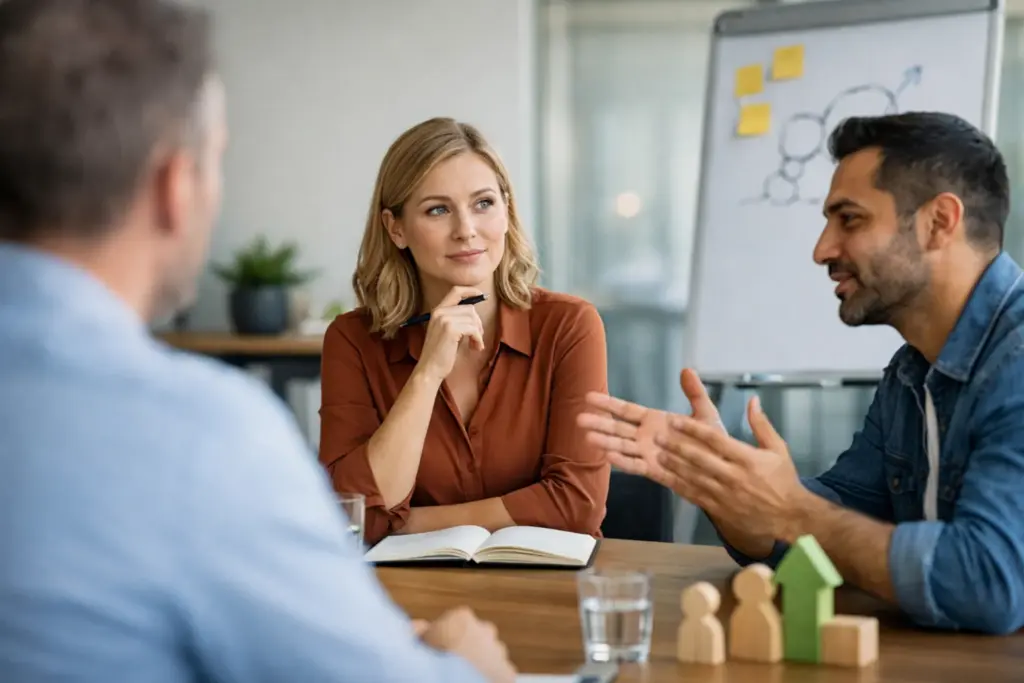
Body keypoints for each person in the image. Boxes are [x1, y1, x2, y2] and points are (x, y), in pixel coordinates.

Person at [0, 1, 515, 681]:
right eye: (218, 162)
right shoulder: (201, 437)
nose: (467, 230)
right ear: (175, 186)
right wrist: (467, 665)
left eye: (484, 202)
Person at [578, 111, 1024, 635]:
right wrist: (731, 486)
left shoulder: (1014, 365)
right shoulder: (911, 371)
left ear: (938, 222)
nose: (822, 250)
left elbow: (989, 582)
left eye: (850, 219)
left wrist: (791, 511)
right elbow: (847, 518)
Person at [319, 117, 610, 546]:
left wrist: (408, 524)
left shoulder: (569, 326)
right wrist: (426, 374)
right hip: (404, 597)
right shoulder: (352, 340)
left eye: (483, 203)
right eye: (438, 209)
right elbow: (351, 511)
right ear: (395, 227)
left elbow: (576, 506)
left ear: (506, 210)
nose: (466, 229)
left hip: (544, 593)